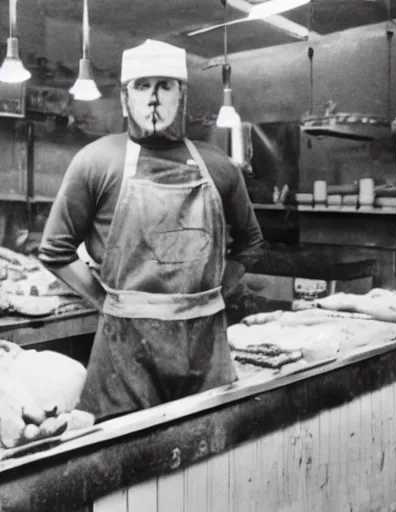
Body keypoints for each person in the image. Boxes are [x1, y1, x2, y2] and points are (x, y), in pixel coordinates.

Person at [38, 39, 264, 422]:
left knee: (208, 455)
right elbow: (55, 250)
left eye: (165, 85)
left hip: (205, 354)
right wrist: (111, 303)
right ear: (125, 99)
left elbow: (251, 242)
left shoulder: (218, 165)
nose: (153, 99)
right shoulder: (96, 161)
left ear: (183, 95)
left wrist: (210, 296)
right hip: (125, 359)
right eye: (142, 86)